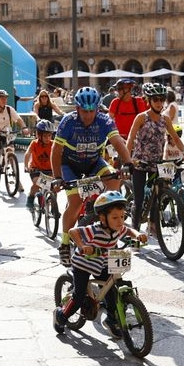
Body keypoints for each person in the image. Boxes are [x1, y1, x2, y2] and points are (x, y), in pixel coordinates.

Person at [51, 86, 132, 266]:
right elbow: (56, 151)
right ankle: (64, 244)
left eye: (91, 111)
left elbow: (117, 141)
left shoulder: (104, 120)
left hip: (94, 162)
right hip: (69, 164)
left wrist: (128, 163)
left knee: (114, 179)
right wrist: (57, 177)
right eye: (84, 111)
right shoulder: (68, 121)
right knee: (75, 203)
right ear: (77, 108)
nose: (88, 115)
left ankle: (108, 221)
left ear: (97, 109)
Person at [52, 191, 147, 337]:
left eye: (122, 217)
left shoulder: (117, 228)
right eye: (115, 217)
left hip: (101, 263)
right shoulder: (94, 230)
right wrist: (83, 246)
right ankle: (61, 316)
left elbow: (128, 231)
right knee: (78, 297)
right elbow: (73, 231)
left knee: (111, 290)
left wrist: (138, 235)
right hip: (83, 264)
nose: (120, 221)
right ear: (103, 218)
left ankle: (111, 320)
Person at [126, 83, 184, 232]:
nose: (160, 103)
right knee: (139, 200)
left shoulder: (165, 119)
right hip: (140, 162)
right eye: (156, 99)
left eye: (162, 99)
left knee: (157, 195)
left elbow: (175, 138)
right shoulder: (141, 118)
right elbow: (130, 138)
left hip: (157, 163)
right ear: (148, 100)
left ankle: (153, 225)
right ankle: (135, 232)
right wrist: (127, 159)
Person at [0, 88, 30, 170]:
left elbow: (18, 119)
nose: (4, 100)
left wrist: (24, 127)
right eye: (2, 98)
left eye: (5, 98)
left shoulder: (9, 109)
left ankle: (14, 170)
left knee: (11, 150)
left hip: (7, 132)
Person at [25, 119, 55, 210]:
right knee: (38, 183)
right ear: (39, 135)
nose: (48, 138)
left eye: (49, 135)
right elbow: (27, 154)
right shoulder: (34, 144)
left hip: (49, 170)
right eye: (45, 136)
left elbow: (60, 155)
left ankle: (54, 207)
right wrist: (26, 166)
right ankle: (31, 197)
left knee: (54, 188)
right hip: (36, 170)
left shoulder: (53, 144)